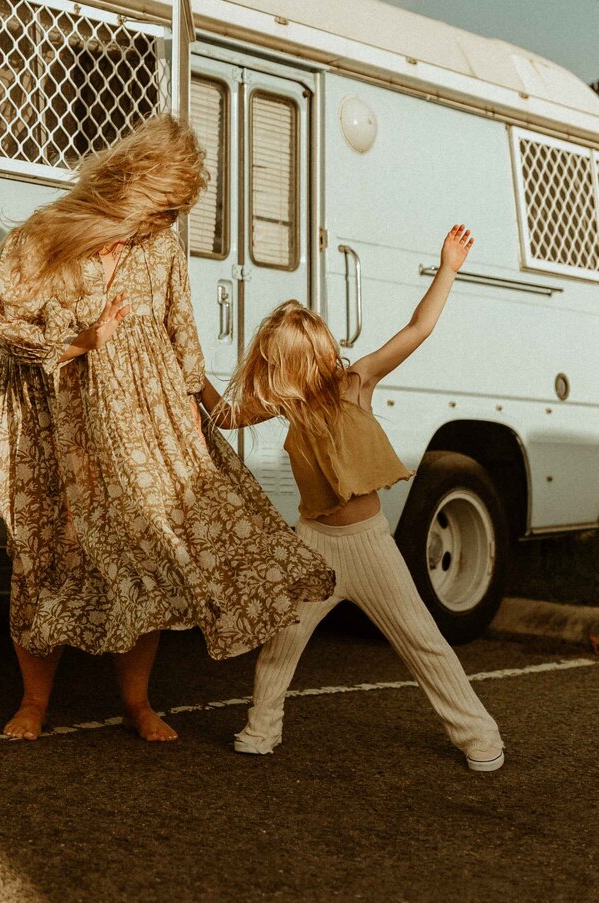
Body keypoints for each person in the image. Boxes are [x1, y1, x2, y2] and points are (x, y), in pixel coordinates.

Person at [0, 115, 335, 743]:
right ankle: (33, 703)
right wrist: (81, 340)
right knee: (45, 554)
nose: (167, 221)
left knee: (146, 551)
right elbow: (3, 322)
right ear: (133, 184)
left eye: (176, 211)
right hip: (55, 427)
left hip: (145, 426)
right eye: (164, 207)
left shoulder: (162, 247)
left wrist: (201, 421)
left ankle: (137, 703)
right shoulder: (42, 236)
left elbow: (182, 336)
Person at [211, 224, 505, 772]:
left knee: (422, 640)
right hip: (315, 542)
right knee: (283, 642)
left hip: (369, 544)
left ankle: (478, 733)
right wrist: (189, 378)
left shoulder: (357, 382)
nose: (280, 376)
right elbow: (225, 416)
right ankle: (261, 727)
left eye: (284, 364)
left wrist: (448, 267)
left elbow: (417, 329)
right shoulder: (288, 407)